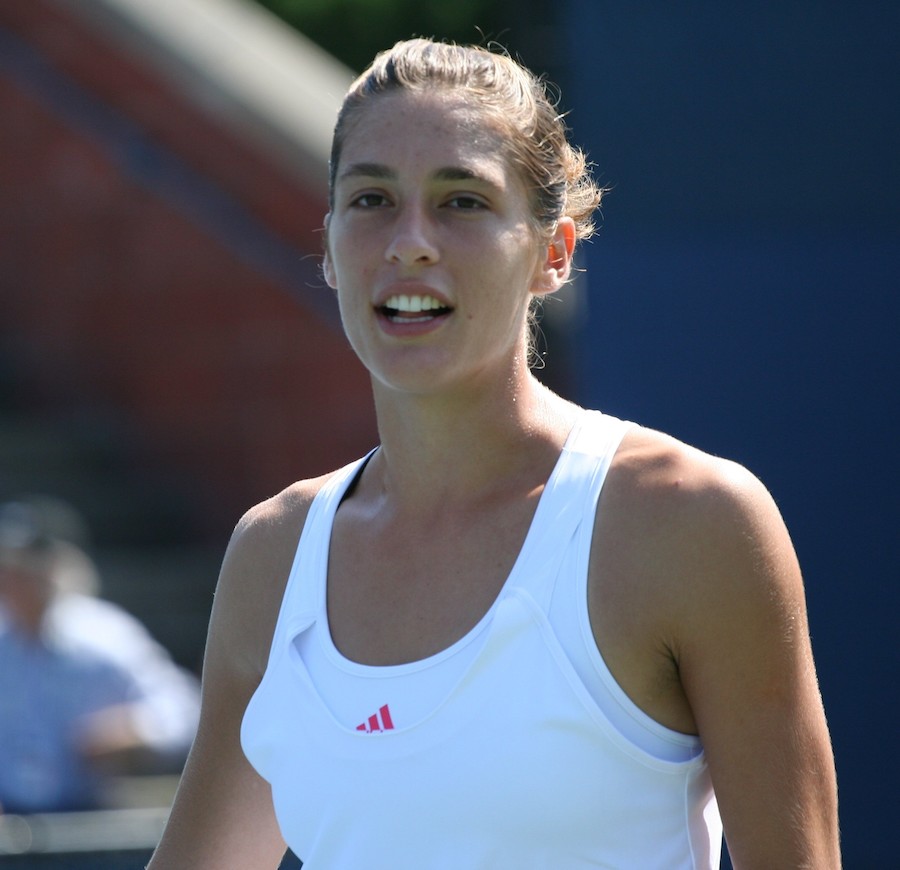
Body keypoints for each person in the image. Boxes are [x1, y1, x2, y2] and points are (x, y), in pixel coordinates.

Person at [147, 38, 840, 869]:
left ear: (554, 254)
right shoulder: (274, 553)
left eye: (463, 201)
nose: (410, 242)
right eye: (372, 199)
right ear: (328, 247)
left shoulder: (692, 521)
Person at [0, 497, 200, 814]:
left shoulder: (104, 635)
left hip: (85, 817)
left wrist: (136, 729)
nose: (19, 579)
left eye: (31, 565)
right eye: (11, 567)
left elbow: (183, 710)